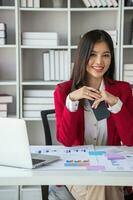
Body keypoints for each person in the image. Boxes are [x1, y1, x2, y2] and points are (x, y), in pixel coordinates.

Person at [53, 29, 133, 200]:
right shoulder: (64, 91)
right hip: (78, 169)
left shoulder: (123, 90)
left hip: (112, 167)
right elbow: (66, 140)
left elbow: (130, 140)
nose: (99, 61)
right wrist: (73, 100)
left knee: (103, 181)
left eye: (106, 55)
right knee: (101, 183)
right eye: (93, 54)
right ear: (83, 57)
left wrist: (115, 104)